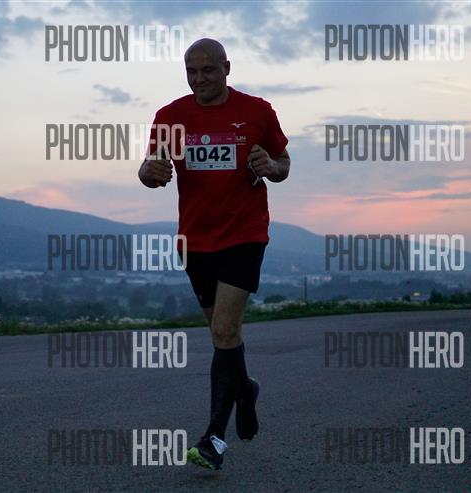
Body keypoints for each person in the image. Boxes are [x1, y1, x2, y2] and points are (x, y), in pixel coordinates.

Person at [137, 38, 291, 470]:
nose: (199, 79)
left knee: (225, 329)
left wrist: (271, 167)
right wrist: (149, 172)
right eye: (191, 72)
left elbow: (283, 163)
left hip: (244, 235)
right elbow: (150, 170)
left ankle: (213, 440)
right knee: (223, 336)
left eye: (208, 70)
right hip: (195, 241)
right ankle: (245, 389)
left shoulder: (258, 112)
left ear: (226, 68)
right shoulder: (170, 117)